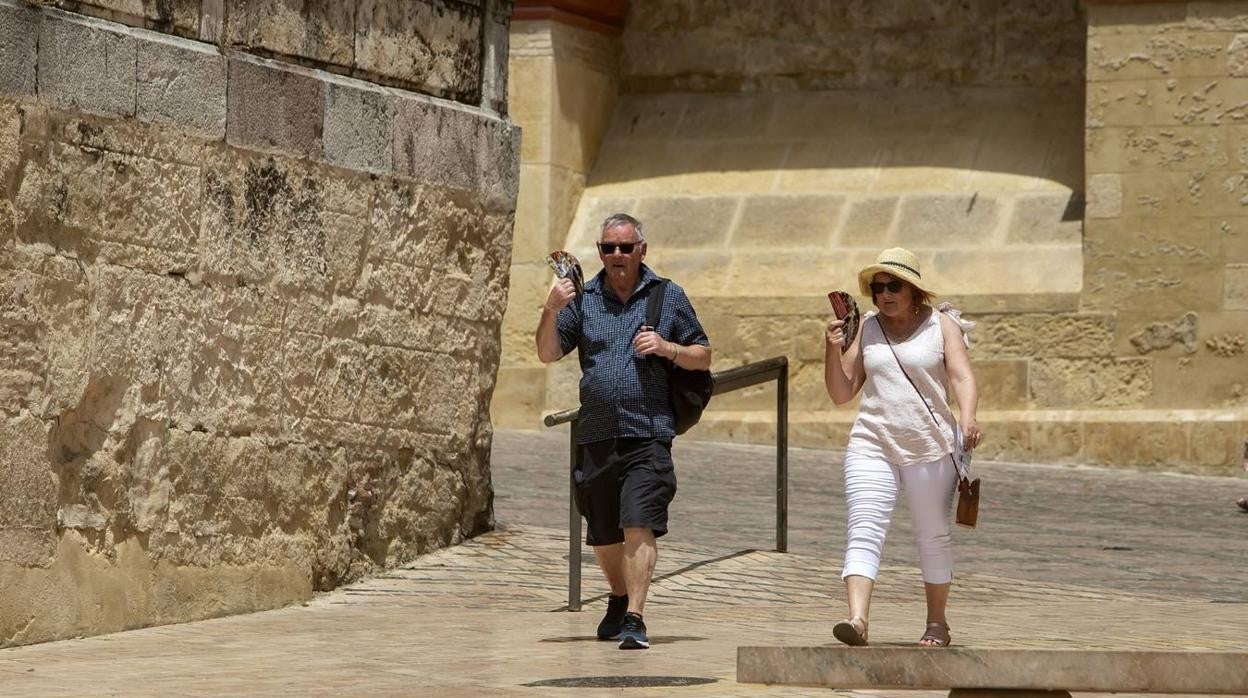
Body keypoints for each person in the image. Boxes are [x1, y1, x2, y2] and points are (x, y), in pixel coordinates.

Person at [535, 213, 711, 650]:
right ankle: (617, 596)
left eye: (625, 248)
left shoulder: (667, 296)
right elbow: (546, 352)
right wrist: (551, 307)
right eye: (609, 248)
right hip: (595, 431)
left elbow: (703, 354)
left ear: (641, 251)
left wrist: (667, 348)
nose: (617, 256)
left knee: (638, 521)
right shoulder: (583, 297)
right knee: (603, 531)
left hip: (648, 431)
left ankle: (635, 615)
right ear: (599, 252)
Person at [823, 247, 982, 648]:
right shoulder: (868, 329)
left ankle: (937, 623)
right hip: (871, 443)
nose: (884, 294)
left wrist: (967, 419)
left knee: (932, 535)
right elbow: (842, 392)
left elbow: (962, 377)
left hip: (930, 446)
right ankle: (857, 620)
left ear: (913, 290)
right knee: (863, 528)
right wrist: (830, 347)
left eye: (893, 286)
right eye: (878, 288)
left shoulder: (941, 324)